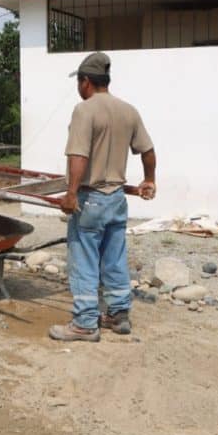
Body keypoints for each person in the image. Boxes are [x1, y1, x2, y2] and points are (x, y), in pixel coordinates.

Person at [49, 52, 157, 342]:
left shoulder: (84, 110)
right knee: (114, 256)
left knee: (83, 258)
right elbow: (148, 151)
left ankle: (85, 323)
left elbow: (78, 156)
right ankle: (118, 314)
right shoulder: (128, 110)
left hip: (91, 198)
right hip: (116, 198)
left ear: (86, 82)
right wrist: (149, 180)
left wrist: (71, 195)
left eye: (79, 81)